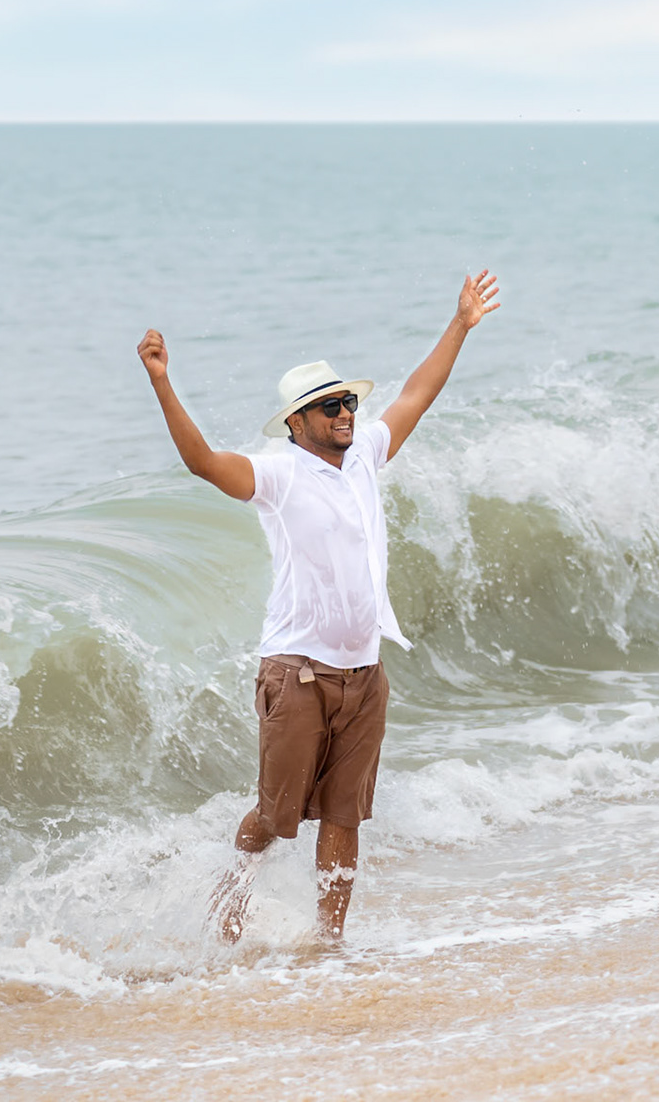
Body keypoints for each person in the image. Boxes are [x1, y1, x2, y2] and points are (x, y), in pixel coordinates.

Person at [136, 270, 501, 941]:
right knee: (277, 820)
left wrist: (460, 325)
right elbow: (203, 464)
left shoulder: (365, 455)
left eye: (348, 405)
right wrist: (162, 381)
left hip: (365, 676)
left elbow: (419, 392)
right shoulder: (277, 475)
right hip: (298, 674)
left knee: (343, 819)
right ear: (296, 423)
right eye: (329, 408)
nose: (344, 415)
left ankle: (327, 944)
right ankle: (230, 897)